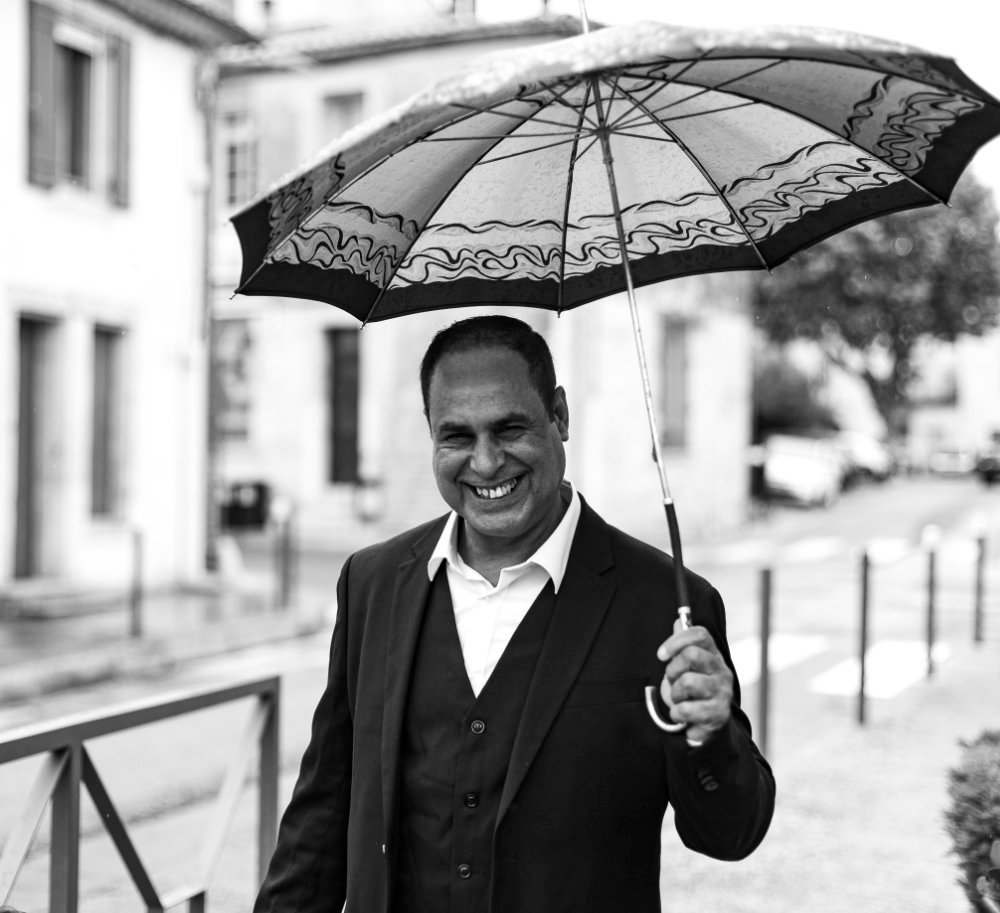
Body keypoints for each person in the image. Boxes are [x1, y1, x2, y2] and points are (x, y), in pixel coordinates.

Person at [253, 315, 774, 913]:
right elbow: (323, 815)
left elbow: (731, 834)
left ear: (559, 416)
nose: (485, 461)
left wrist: (708, 736)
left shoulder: (665, 604)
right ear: (431, 435)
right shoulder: (373, 584)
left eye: (510, 428)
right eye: (456, 436)